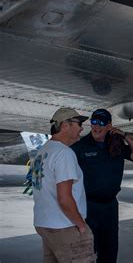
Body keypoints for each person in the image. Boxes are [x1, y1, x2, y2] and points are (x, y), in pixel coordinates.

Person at [72, 109, 133, 263]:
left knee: (110, 249)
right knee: (88, 249)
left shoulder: (115, 144)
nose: (96, 126)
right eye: (93, 122)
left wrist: (124, 135)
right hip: (89, 206)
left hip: (110, 206)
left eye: (101, 123)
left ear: (109, 126)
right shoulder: (81, 146)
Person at [31, 107, 96, 262]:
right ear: (65, 125)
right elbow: (64, 198)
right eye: (78, 123)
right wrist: (81, 225)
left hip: (45, 224)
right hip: (65, 226)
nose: (81, 128)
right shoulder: (64, 153)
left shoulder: (43, 150)